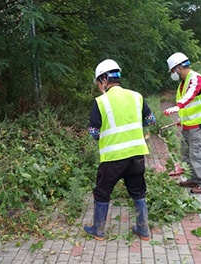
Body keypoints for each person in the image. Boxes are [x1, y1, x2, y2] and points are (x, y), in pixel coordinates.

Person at [84, 59, 156, 241]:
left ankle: (98, 230)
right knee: (138, 191)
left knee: (102, 192)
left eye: (98, 82)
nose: (99, 86)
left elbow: (94, 133)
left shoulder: (101, 102)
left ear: (104, 79)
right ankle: (143, 230)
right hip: (137, 156)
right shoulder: (136, 96)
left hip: (113, 157)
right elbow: (150, 120)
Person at [163, 52, 201, 194]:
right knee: (187, 153)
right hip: (188, 125)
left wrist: (177, 106)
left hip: (198, 125)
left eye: (173, 70)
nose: (173, 74)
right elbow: (188, 106)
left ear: (179, 67)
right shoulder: (183, 82)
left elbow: (191, 95)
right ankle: (194, 179)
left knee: (198, 154)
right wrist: (181, 119)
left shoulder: (196, 79)